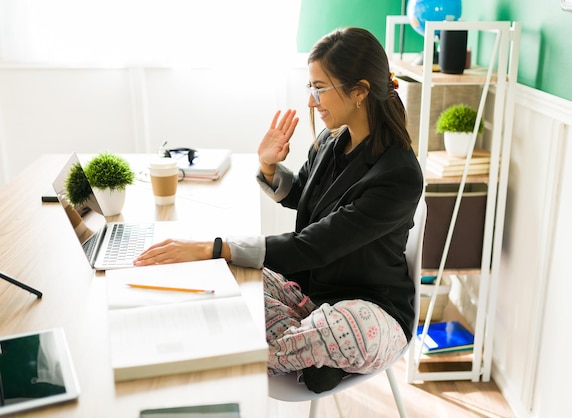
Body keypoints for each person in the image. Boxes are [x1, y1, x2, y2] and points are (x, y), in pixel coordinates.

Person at [134, 27, 424, 394]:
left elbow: (313, 245)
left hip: (370, 311)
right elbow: (304, 194)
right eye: (311, 87)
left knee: (341, 326)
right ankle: (313, 358)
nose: (311, 101)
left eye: (320, 88)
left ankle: (261, 353)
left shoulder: (398, 174)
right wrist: (269, 168)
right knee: (229, 273)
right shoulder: (332, 141)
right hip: (311, 298)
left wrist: (215, 244)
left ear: (360, 91)